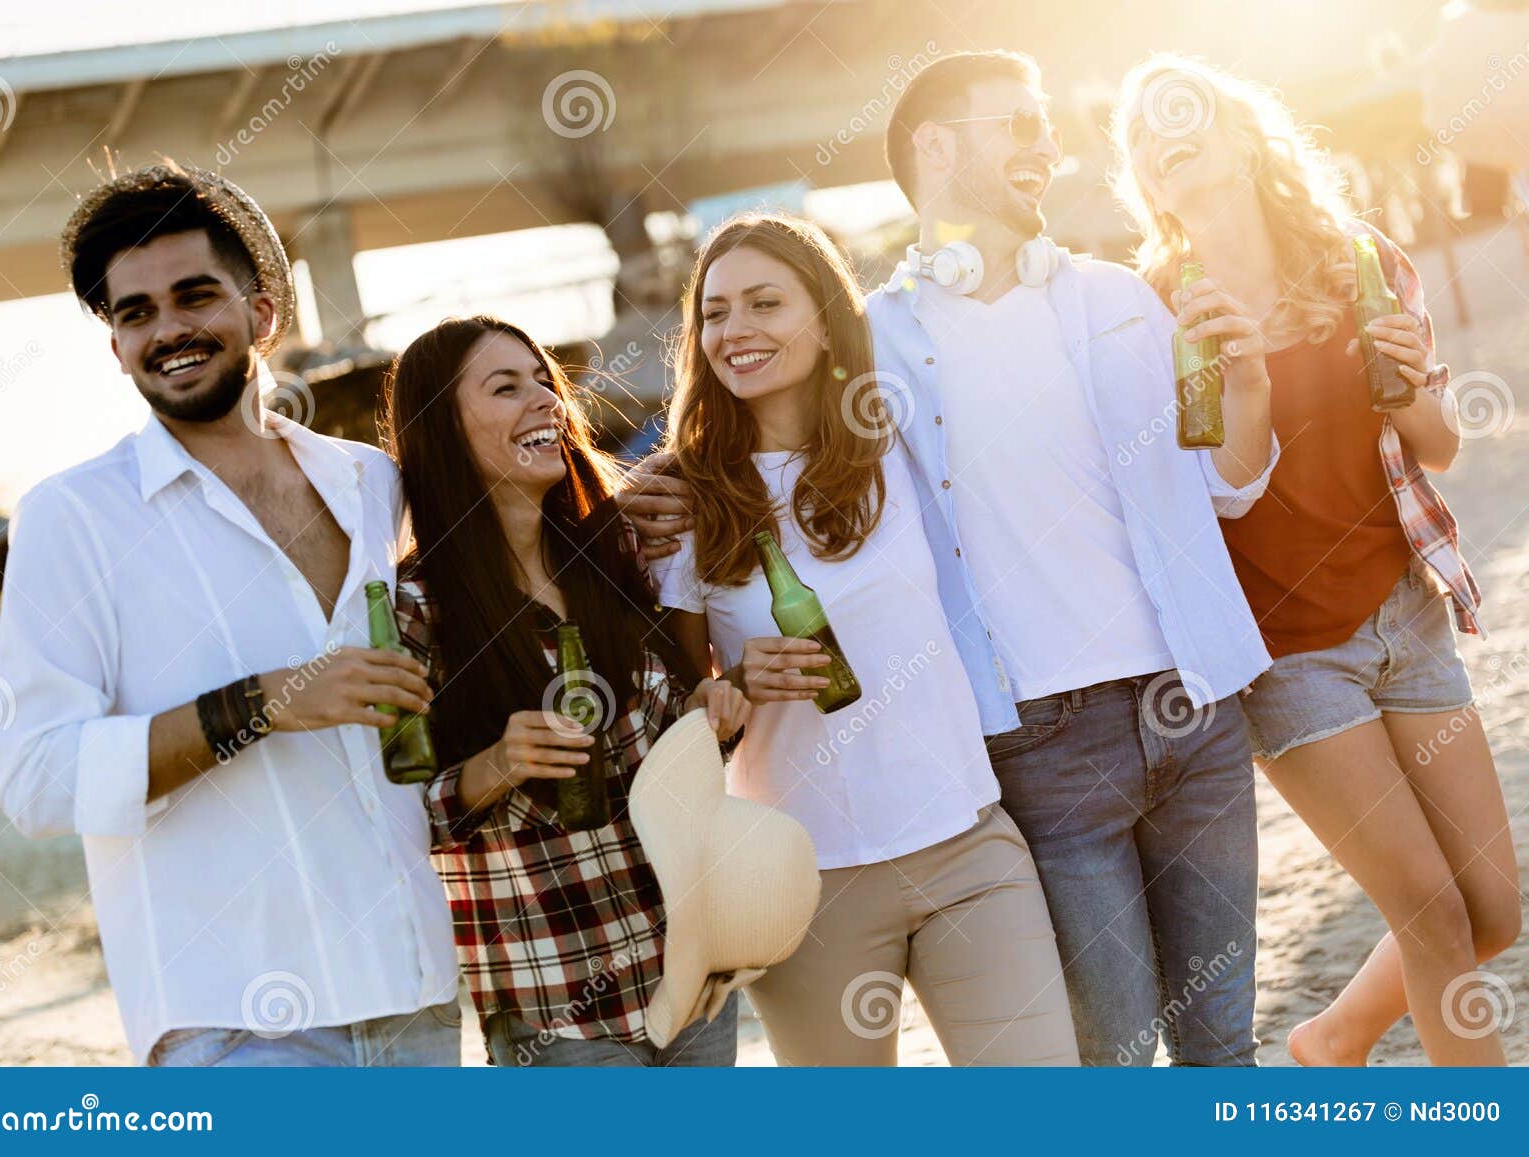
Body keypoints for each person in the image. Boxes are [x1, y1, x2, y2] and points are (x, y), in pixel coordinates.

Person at [622, 50, 1277, 1067]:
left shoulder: (1119, 297)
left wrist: (1248, 386)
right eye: (1014, 122)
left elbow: (1227, 483)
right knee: (1110, 1056)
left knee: (1220, 1038)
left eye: (1044, 123)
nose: (1046, 145)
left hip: (1191, 706)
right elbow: (758, 417)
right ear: (934, 146)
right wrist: (669, 480)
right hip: (1037, 743)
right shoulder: (874, 342)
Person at [0, 163, 461, 1067]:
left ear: (264, 311)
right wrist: (264, 702)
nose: (168, 330)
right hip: (232, 1023)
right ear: (117, 345)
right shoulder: (72, 517)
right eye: (135, 314)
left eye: (194, 296)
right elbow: (38, 777)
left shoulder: (371, 482)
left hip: (418, 994)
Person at [1113, 55, 1521, 1066]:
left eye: (1187, 114)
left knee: (1492, 908)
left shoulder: (1359, 260)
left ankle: (1329, 1038)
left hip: (1402, 613)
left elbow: (1437, 444)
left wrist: (1399, 385)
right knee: (1429, 910)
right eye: (1142, 140)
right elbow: (1190, 491)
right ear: (1147, 185)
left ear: (1246, 135)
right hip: (1285, 654)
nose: (1165, 135)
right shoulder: (1151, 315)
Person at [648, 212, 1078, 1066]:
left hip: (967, 841)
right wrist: (734, 680)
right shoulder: (686, 506)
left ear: (827, 315)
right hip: (802, 881)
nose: (736, 330)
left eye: (766, 302)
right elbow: (673, 712)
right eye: (717, 312)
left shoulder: (905, 443)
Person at [382, 315, 750, 1067]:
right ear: (441, 428)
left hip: (693, 967)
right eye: (505, 387)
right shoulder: (416, 609)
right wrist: (497, 764)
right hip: (554, 1002)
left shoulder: (618, 557)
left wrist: (715, 710)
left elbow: (672, 749)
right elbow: (386, 815)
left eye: (544, 381)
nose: (544, 400)